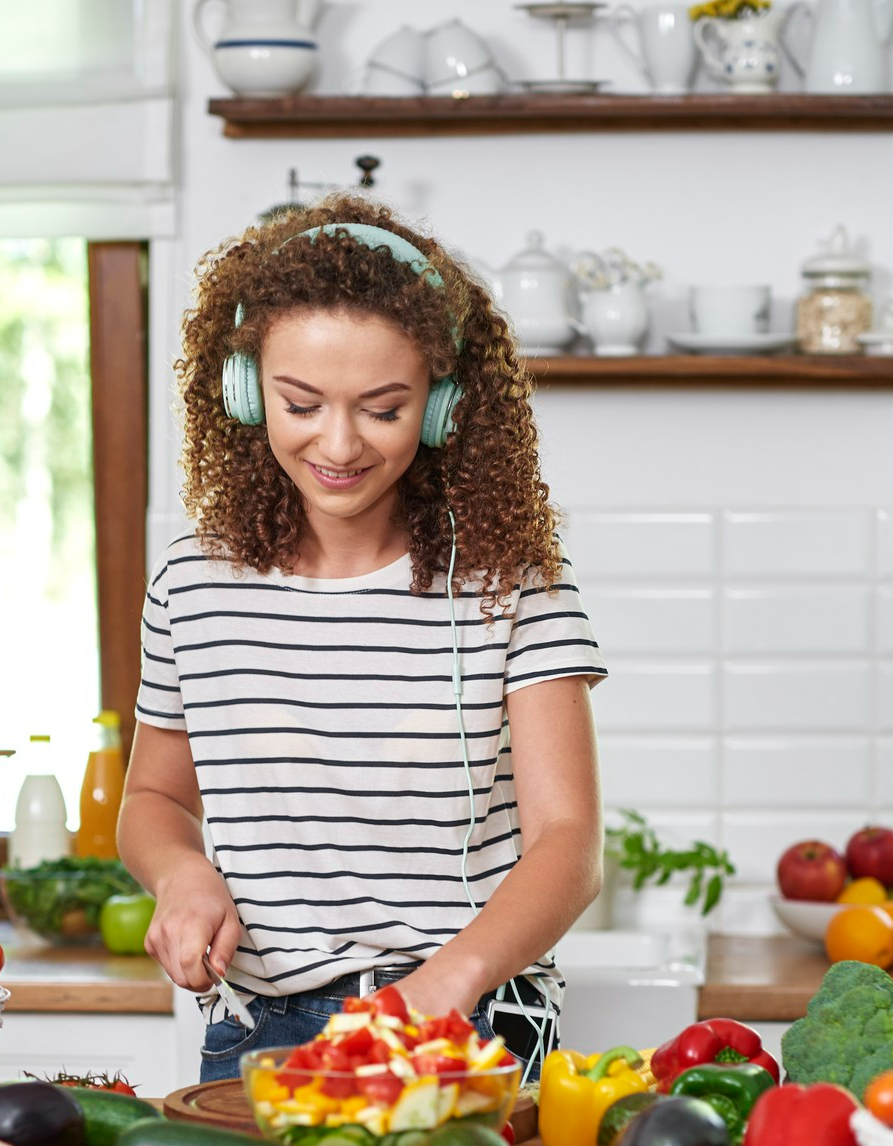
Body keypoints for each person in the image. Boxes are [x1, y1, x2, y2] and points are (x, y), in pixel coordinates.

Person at [117, 196, 607, 1084]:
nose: (336, 443)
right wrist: (182, 875)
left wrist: (442, 983)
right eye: (299, 403)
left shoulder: (512, 580)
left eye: (383, 409)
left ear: (443, 407)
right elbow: (151, 797)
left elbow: (570, 843)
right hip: (259, 1024)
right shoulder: (189, 584)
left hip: (468, 1016)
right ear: (241, 390)